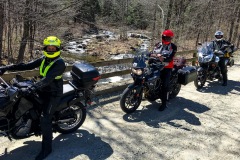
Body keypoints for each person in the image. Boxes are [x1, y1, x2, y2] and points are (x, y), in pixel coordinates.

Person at [0, 36, 66, 160]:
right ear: (45, 48)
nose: (51, 50)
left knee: (45, 119)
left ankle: (47, 149)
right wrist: (6, 68)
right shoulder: (44, 59)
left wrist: (32, 88)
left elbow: (48, 79)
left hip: (53, 93)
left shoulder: (60, 63)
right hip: (43, 89)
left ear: (58, 48)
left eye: (53, 48)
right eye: (49, 48)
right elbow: (26, 66)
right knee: (26, 103)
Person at [149, 29, 177, 111]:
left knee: (165, 85)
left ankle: (164, 103)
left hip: (167, 67)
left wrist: (163, 58)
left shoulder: (173, 47)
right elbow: (152, 52)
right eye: (165, 37)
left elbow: (170, 57)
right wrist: (149, 55)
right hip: (155, 65)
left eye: (169, 38)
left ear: (171, 39)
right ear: (162, 37)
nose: (167, 39)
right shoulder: (157, 44)